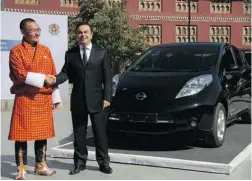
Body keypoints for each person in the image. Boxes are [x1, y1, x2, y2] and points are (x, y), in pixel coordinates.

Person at [52, 23, 113, 175]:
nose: (83, 35)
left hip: (98, 101)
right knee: (79, 135)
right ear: (76, 35)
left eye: (86, 32)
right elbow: (65, 73)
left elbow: (108, 78)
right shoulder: (71, 54)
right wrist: (53, 80)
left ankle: (103, 162)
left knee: (100, 133)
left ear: (91, 34)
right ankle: (80, 163)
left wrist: (107, 97)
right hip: (78, 100)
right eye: (79, 32)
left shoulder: (101, 53)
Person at [8, 18, 61, 180]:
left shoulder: (45, 50)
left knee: (41, 134)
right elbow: (20, 74)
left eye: (38, 29)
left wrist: (55, 96)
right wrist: (44, 78)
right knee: (21, 134)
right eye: (32, 30)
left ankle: (40, 165)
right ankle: (21, 168)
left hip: (43, 99)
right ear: (23, 32)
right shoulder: (16, 51)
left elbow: (53, 73)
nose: (36, 32)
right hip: (25, 98)